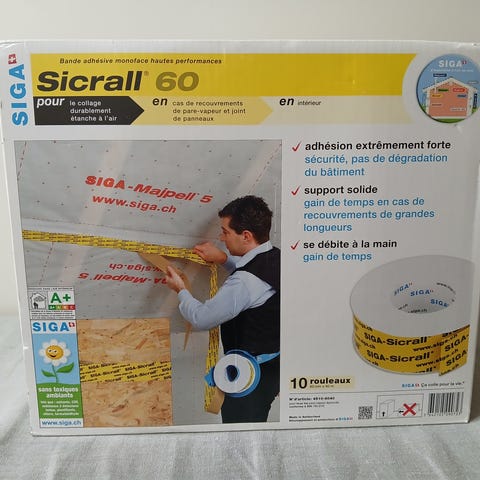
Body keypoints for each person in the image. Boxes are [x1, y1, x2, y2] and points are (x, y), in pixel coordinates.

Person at [165, 195, 280, 423]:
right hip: (271, 370)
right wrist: (224, 259)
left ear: (246, 236)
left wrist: (181, 290)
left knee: (240, 435)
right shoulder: (275, 257)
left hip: (247, 378)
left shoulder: (244, 283)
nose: (221, 237)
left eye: (225, 232)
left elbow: (201, 318)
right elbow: (253, 277)